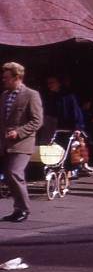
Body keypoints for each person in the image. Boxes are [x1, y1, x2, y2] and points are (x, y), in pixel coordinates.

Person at [1, 62, 43, 222]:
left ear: (16, 77)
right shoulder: (5, 95)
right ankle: (17, 209)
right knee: (9, 175)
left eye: (6, 77)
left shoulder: (31, 95)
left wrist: (18, 133)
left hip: (22, 143)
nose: (3, 80)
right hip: (5, 143)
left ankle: (24, 209)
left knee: (15, 172)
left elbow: (37, 121)